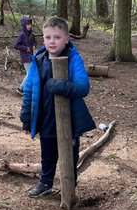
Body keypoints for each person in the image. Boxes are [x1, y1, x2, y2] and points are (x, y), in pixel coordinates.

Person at [20, 17, 96, 198]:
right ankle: (45, 183)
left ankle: (70, 184)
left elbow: (83, 87)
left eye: (57, 37)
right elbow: (29, 88)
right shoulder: (38, 59)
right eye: (48, 37)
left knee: (69, 155)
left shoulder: (73, 59)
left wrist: (59, 86)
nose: (52, 41)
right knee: (47, 154)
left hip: (69, 121)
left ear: (67, 38)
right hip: (45, 117)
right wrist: (25, 115)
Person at [13, 16, 37, 92]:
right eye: (27, 24)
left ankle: (27, 89)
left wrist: (34, 46)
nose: (29, 26)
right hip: (25, 57)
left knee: (32, 73)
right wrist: (25, 48)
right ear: (24, 25)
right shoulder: (22, 35)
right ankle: (21, 88)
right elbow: (15, 45)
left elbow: (34, 42)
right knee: (30, 73)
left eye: (30, 24)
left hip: (31, 56)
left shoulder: (31, 34)